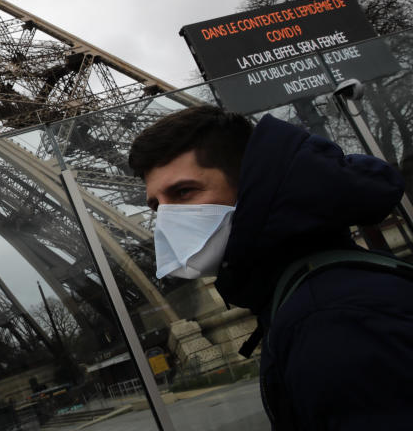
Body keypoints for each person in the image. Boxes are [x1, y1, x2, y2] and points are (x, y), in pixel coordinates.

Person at [128, 105, 413, 429]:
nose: (167, 220)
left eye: (183, 192)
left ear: (249, 183)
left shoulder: (329, 319)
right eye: (156, 206)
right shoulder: (317, 289)